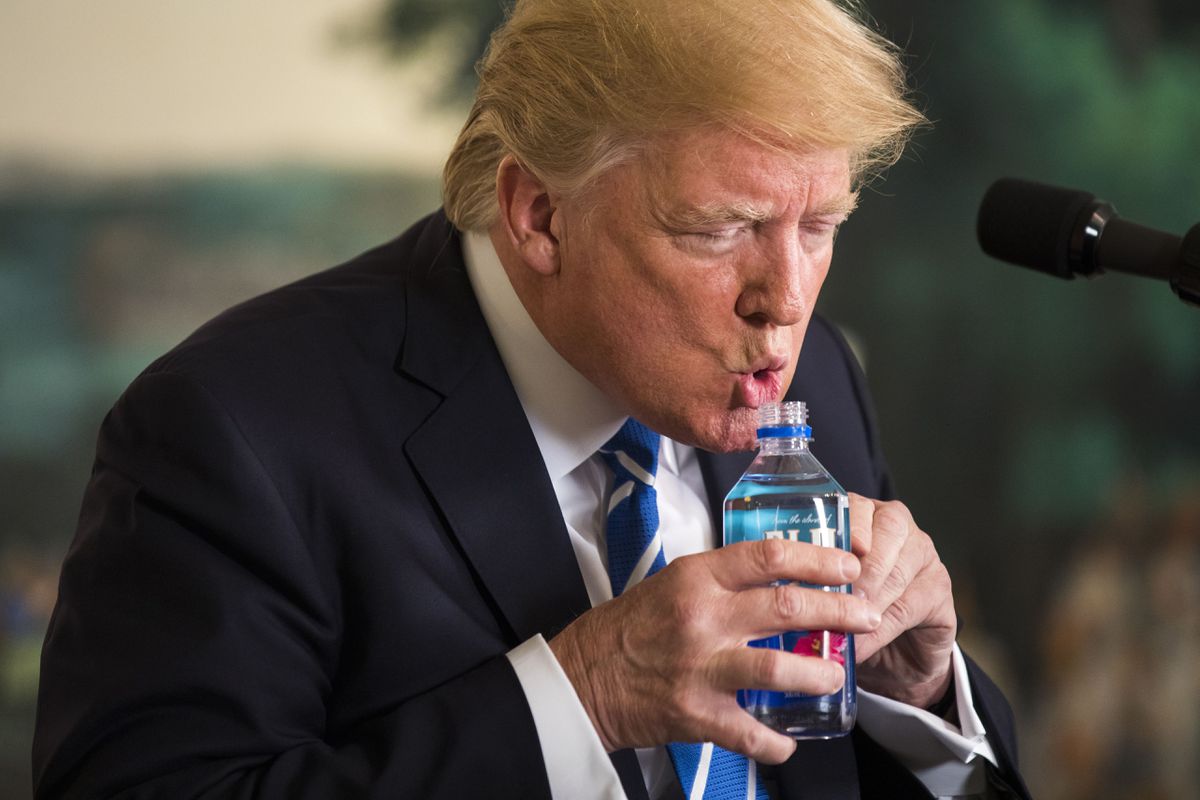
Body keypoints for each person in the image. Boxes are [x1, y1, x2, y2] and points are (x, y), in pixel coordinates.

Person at [33, 0, 1030, 797]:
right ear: (540, 214)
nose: (788, 299)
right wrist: (584, 696)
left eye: (819, 225)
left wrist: (917, 698)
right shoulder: (230, 426)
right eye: (721, 227)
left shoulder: (815, 382)